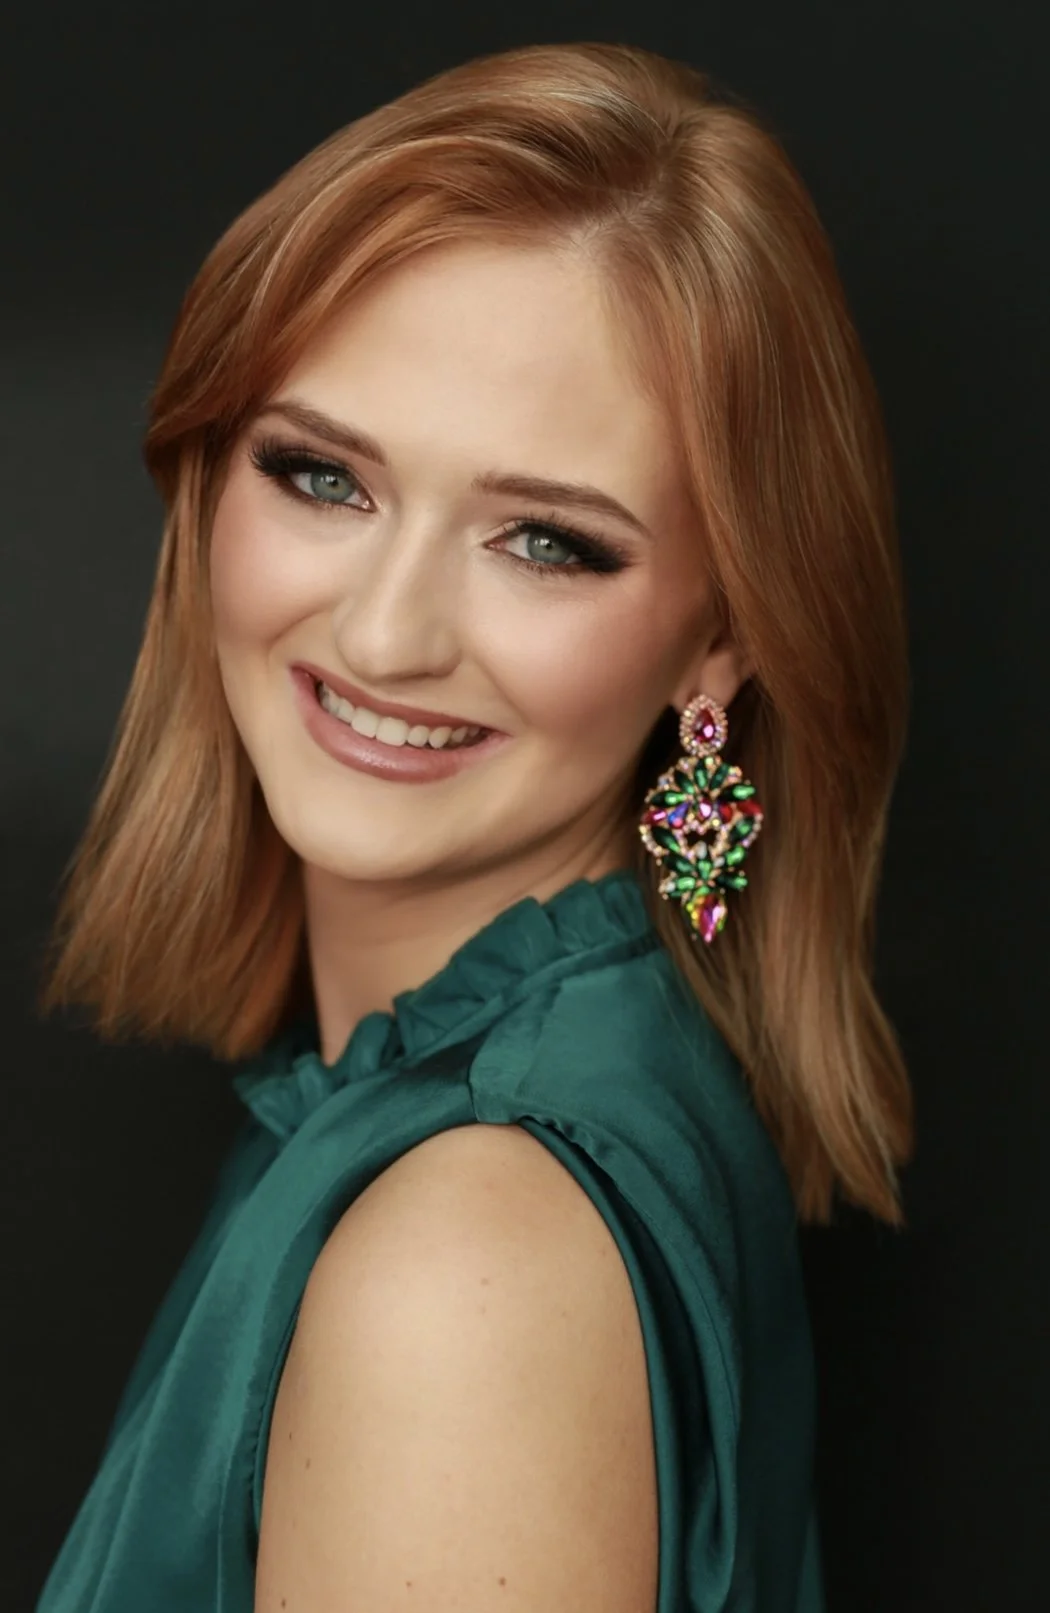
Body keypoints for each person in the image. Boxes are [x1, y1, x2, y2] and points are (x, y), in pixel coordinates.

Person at [33, 39, 912, 1613]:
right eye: (322, 477)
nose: (381, 639)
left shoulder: (461, 1274)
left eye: (546, 543)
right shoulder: (554, 1079)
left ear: (722, 639)